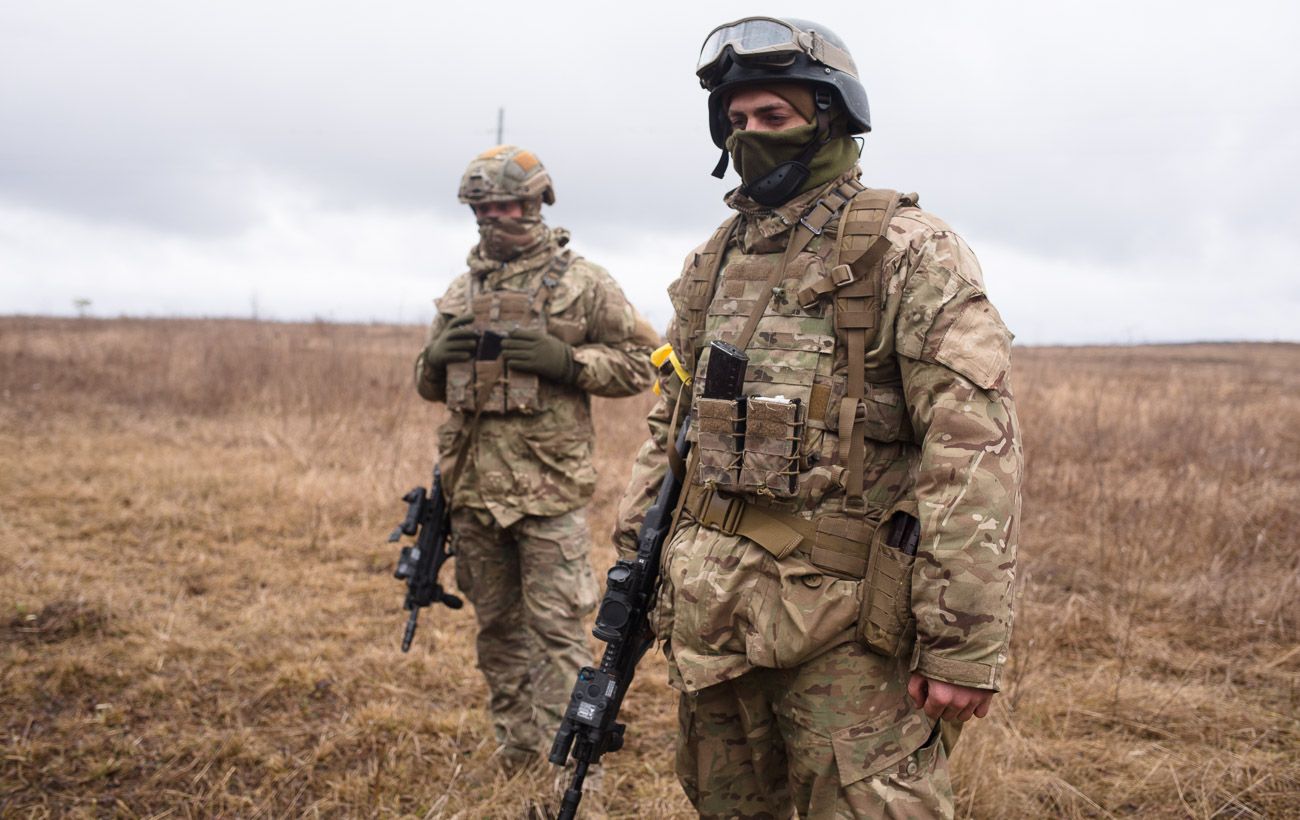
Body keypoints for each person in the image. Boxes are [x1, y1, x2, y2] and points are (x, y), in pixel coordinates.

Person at [613, 17, 1024, 818]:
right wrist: (639, 564)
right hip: (714, 617)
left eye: (774, 116)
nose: (750, 136)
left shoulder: (907, 249)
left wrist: (962, 645)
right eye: (736, 120)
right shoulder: (713, 260)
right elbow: (673, 429)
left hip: (848, 632)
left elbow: (974, 451)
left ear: (831, 117)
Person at [415, 145, 657, 772]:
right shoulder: (461, 290)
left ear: (536, 203)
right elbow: (429, 385)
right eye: (482, 208)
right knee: (496, 630)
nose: (493, 218)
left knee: (557, 635)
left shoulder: (584, 282)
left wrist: (568, 362)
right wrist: (434, 359)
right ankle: (516, 752)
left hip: (548, 494)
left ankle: (569, 773)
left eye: (506, 205)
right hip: (472, 492)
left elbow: (645, 363)